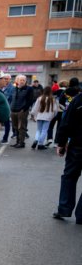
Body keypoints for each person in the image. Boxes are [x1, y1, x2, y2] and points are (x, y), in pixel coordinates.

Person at [52, 83, 82, 224]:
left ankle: (64, 208)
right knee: (69, 176)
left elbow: (66, 122)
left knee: (69, 176)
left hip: (78, 145)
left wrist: (61, 143)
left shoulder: (78, 100)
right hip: (77, 144)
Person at [9, 74, 34, 148]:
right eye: (20, 80)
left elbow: (30, 100)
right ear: (17, 81)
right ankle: (17, 142)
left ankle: (21, 142)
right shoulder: (14, 88)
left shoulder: (29, 89)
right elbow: (11, 99)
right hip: (13, 110)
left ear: (26, 81)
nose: (22, 81)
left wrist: (24, 109)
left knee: (21, 127)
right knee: (15, 127)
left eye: (23, 80)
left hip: (22, 111)